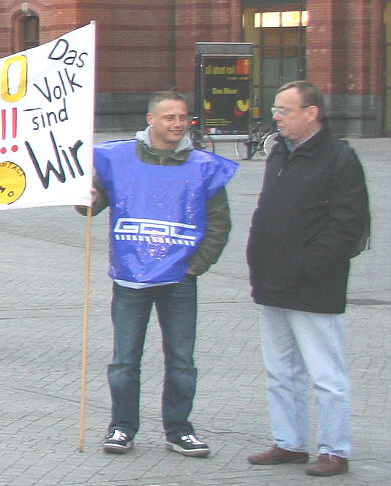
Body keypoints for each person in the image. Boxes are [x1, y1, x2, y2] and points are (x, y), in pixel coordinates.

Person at [77, 90, 238, 457]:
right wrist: (82, 197)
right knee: (124, 360)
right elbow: (92, 206)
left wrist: (198, 265)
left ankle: (179, 429)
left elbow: (219, 222)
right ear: (151, 119)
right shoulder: (116, 159)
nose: (178, 124)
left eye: (183, 117)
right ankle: (121, 427)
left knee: (181, 360)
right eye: (170, 118)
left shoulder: (203, 166)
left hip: (179, 278)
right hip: (131, 278)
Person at [245, 81, 369, 477]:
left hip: (314, 283)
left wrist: (309, 263)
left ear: (311, 112)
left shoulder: (339, 157)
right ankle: (289, 442)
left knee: (325, 373)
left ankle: (335, 449)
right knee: (281, 370)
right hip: (273, 277)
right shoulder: (279, 153)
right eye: (276, 109)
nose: (276, 117)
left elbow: (350, 225)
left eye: (284, 110)